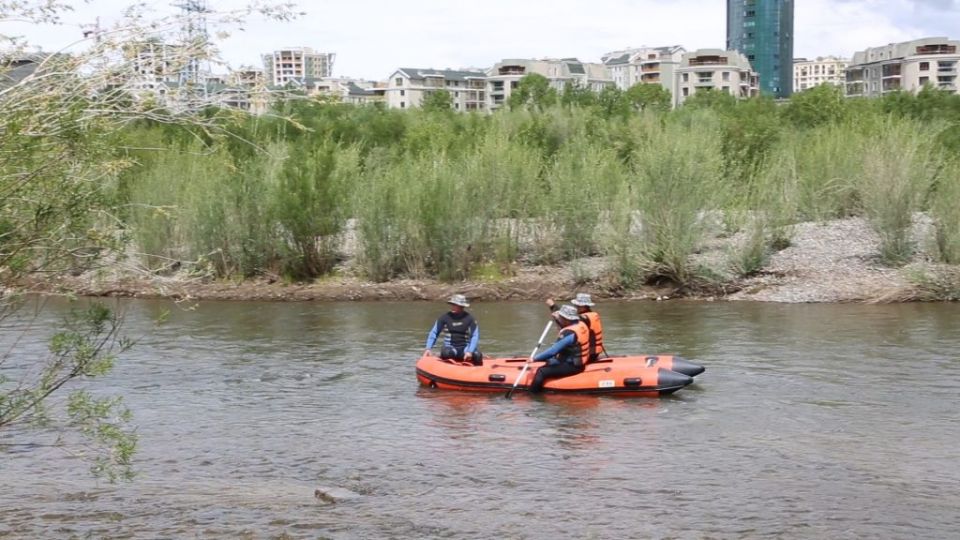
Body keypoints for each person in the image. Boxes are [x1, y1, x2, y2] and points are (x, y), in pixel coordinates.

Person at [529, 305, 590, 393]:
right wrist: (557, 319)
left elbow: (553, 351)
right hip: (578, 362)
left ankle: (533, 395)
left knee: (541, 371)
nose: (560, 319)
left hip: (572, 366)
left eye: (561, 317)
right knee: (550, 361)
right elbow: (565, 327)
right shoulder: (581, 324)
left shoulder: (569, 333)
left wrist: (534, 359)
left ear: (566, 319)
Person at [424, 294, 482, 366]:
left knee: (478, 355)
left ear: (461, 306)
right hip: (451, 348)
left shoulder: (470, 319)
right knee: (447, 353)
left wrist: (470, 351)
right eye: (452, 304)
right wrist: (428, 348)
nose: (452, 307)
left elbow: (475, 335)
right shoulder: (444, 318)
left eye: (455, 305)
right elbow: (434, 332)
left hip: (465, 349)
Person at [546, 293, 606, 362]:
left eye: (577, 305)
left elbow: (566, 327)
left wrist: (555, 313)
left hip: (588, 354)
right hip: (594, 352)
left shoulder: (584, 318)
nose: (575, 307)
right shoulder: (593, 314)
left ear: (583, 306)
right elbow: (567, 318)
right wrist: (553, 307)